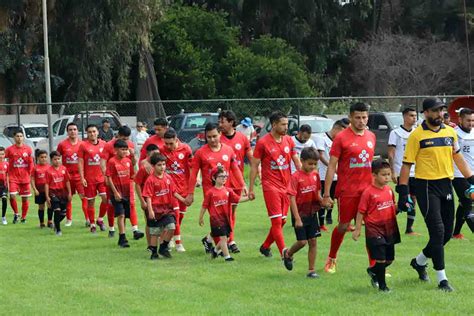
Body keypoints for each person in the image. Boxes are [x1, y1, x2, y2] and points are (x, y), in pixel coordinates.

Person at [398, 97, 474, 292]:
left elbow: (458, 158)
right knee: (438, 232)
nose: (440, 114)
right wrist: (403, 192)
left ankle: (419, 261)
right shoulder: (416, 136)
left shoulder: (450, 132)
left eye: (442, 110)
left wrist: (472, 179)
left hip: (446, 185)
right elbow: (406, 165)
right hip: (426, 187)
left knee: (446, 234)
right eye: (435, 111)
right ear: (426, 113)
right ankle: (442, 279)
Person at [322, 102, 376, 274]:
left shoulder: (371, 136)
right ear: (351, 117)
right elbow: (331, 166)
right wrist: (326, 193)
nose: (361, 121)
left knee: (372, 226)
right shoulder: (341, 138)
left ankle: (375, 265)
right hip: (348, 191)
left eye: (364, 117)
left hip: (367, 191)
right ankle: (331, 259)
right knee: (343, 226)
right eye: (358, 117)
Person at [185, 123, 245, 253]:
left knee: (226, 217)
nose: (212, 139)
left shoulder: (228, 150)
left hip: (225, 191)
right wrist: (190, 193)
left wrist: (242, 184)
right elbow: (193, 174)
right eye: (209, 137)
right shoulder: (200, 153)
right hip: (210, 192)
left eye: (214, 136)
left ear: (220, 134)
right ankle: (225, 247)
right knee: (218, 219)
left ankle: (210, 240)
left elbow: (235, 169)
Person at [249, 111, 301, 259]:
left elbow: (296, 160)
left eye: (286, 124)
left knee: (282, 220)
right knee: (277, 220)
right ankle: (284, 252)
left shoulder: (289, 140)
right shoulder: (263, 142)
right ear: (273, 125)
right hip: (270, 185)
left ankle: (265, 246)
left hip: (286, 185)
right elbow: (254, 165)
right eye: (283, 124)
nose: (286, 127)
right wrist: (251, 188)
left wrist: (304, 175)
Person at [353, 159, 401, 292]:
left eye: (388, 174)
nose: (387, 178)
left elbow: (392, 207)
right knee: (380, 259)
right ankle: (383, 287)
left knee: (389, 260)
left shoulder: (390, 191)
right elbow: (360, 212)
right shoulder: (368, 193)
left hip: (389, 228)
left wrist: (402, 206)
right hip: (374, 230)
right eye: (383, 175)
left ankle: (373, 271)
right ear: (374, 175)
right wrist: (357, 229)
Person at [282, 147, 322, 278]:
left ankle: (311, 270)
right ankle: (288, 253)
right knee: (302, 242)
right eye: (310, 163)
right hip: (299, 214)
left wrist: (323, 201)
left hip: (311, 213)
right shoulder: (296, 177)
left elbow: (317, 193)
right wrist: (297, 218)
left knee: (313, 241)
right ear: (302, 161)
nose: (312, 166)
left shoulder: (315, 175)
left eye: (315, 164)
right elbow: (291, 197)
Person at [218, 110, 253, 253]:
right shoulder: (218, 139)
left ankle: (218, 240)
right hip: (223, 181)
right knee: (224, 213)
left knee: (231, 212)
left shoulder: (242, 138)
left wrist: (259, 171)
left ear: (231, 122)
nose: (220, 124)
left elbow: (250, 156)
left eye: (222, 121)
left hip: (237, 181)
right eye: (219, 121)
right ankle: (229, 241)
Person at [101, 125, 144, 240]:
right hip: (113, 180)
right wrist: (106, 176)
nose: (126, 141)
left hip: (126, 180)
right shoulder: (109, 145)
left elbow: (132, 162)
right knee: (112, 205)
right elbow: (103, 162)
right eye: (124, 138)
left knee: (131, 204)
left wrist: (133, 155)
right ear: (118, 135)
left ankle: (135, 230)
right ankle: (111, 228)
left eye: (127, 138)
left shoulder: (129, 144)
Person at [199, 166, 248, 262]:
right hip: (216, 219)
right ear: (214, 178)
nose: (224, 178)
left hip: (226, 218)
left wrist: (248, 198)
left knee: (227, 236)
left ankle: (215, 251)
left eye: (225, 176)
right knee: (223, 238)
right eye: (221, 176)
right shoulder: (210, 192)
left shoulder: (228, 190)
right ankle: (227, 257)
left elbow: (237, 199)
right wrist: (201, 218)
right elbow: (204, 206)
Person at [142, 153, 183, 260]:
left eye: (164, 164)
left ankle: (163, 247)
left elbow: (173, 192)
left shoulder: (168, 177)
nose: (162, 167)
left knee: (172, 227)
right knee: (155, 233)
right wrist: (150, 211)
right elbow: (148, 196)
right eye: (159, 165)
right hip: (155, 209)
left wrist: (184, 200)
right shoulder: (150, 180)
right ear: (153, 166)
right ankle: (154, 252)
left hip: (167, 209)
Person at [387, 106, 419, 235]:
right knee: (403, 202)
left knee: (413, 199)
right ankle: (385, 222)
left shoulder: (416, 133)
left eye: (415, 116)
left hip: (415, 172)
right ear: (404, 117)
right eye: (411, 116)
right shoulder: (395, 133)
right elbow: (391, 154)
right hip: (402, 172)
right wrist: (393, 171)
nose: (414, 118)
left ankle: (409, 229)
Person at [160, 129, 193, 252]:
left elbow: (192, 166)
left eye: (171, 143)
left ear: (176, 139)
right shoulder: (162, 150)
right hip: (170, 190)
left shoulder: (186, 149)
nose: (168, 146)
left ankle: (170, 236)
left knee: (179, 218)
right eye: (166, 143)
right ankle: (178, 243)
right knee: (175, 215)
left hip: (184, 188)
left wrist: (195, 181)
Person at [315, 119, 349, 231]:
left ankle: (329, 216)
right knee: (323, 197)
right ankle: (320, 222)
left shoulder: (339, 141)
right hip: (323, 174)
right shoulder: (322, 139)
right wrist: (332, 166)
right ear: (337, 129)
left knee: (334, 196)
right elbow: (320, 155)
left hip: (336, 175)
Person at [78, 124, 108, 234]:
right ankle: (92, 224)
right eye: (90, 132)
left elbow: (107, 160)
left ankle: (100, 219)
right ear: (87, 134)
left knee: (105, 199)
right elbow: (80, 163)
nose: (92, 134)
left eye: (94, 131)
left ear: (98, 132)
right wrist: (82, 178)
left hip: (101, 178)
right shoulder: (83, 146)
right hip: (89, 179)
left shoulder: (104, 144)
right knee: (91, 202)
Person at [57, 122, 88, 227]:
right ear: (67, 132)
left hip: (80, 176)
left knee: (84, 197)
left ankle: (88, 219)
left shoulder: (82, 144)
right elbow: (56, 158)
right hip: (67, 177)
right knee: (68, 198)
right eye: (70, 130)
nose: (73, 131)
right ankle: (69, 219)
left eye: (74, 129)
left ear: (77, 131)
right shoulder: (62, 144)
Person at [106, 140, 135, 248]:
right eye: (122, 149)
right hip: (116, 193)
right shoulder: (112, 162)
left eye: (125, 149)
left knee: (125, 216)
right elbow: (109, 177)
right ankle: (122, 238)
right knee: (120, 214)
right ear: (116, 150)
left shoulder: (128, 161)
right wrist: (115, 192)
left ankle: (121, 236)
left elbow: (132, 176)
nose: (124, 152)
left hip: (126, 192)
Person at [452, 108, 474, 239]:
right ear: (460, 120)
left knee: (464, 202)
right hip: (458, 174)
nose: (471, 123)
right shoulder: (454, 134)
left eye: (473, 120)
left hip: (471, 175)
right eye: (468, 120)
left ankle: (456, 233)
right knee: (469, 202)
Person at [135, 144, 160, 250]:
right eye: (154, 154)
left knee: (161, 222)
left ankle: (161, 244)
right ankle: (150, 245)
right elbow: (137, 184)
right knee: (150, 222)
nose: (156, 156)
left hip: (159, 198)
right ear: (148, 154)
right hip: (148, 198)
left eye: (157, 153)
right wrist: (142, 201)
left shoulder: (159, 165)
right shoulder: (144, 167)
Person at [6, 129, 34, 224]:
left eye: (21, 136)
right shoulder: (9, 149)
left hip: (25, 178)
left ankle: (23, 217)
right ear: (14, 138)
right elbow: (3, 157)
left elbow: (31, 163)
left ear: (23, 137)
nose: (19, 138)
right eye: (17, 136)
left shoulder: (28, 149)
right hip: (13, 178)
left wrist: (31, 175)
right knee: (12, 196)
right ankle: (16, 214)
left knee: (25, 198)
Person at [45, 151, 72, 236]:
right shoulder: (48, 171)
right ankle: (58, 230)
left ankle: (55, 224)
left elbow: (67, 181)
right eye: (55, 159)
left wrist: (70, 193)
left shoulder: (64, 169)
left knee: (63, 213)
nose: (57, 161)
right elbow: (46, 184)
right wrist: (47, 197)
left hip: (63, 193)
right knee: (57, 210)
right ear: (51, 160)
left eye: (58, 159)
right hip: (53, 192)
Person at [31, 150, 52, 228]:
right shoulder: (35, 168)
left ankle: (50, 221)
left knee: (50, 205)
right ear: (38, 158)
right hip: (39, 190)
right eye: (42, 157)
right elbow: (32, 179)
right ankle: (41, 222)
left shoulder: (50, 167)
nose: (44, 159)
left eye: (45, 157)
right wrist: (34, 189)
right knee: (41, 206)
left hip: (49, 190)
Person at [0, 147, 9, 225]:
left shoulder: (7, 164)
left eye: (2, 154)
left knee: (4, 199)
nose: (1, 156)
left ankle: (3, 217)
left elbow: (9, 175)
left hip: (4, 186)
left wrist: (9, 186)